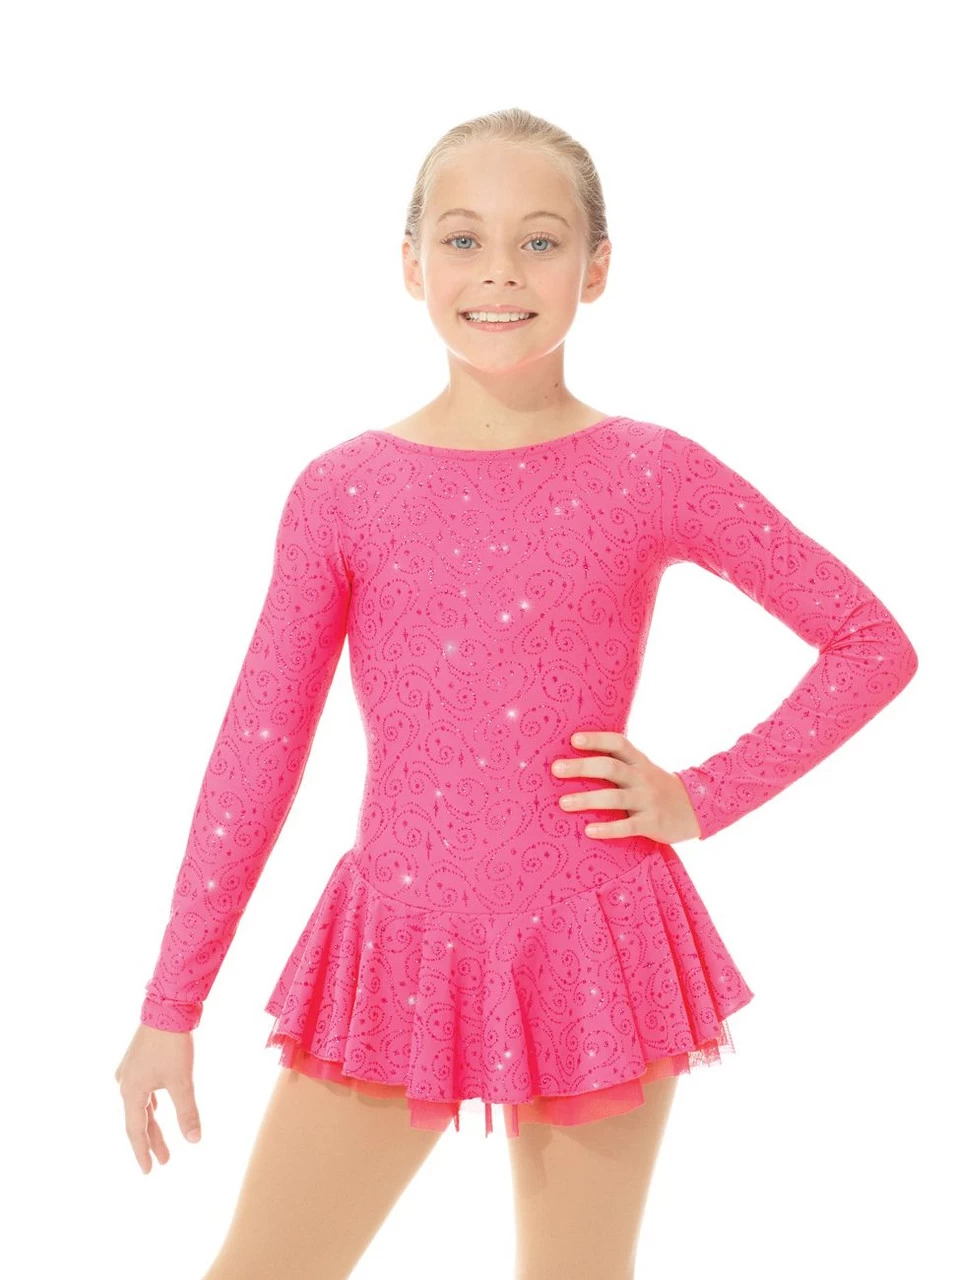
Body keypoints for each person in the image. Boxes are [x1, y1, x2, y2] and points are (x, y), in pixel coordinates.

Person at [114, 107, 919, 1280]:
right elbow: (260, 742)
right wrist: (169, 1004)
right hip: (396, 941)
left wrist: (701, 794)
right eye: (463, 239)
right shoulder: (345, 491)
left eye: (539, 241)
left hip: (598, 939)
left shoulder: (650, 468)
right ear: (410, 264)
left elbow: (869, 642)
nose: (499, 270)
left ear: (597, 267)